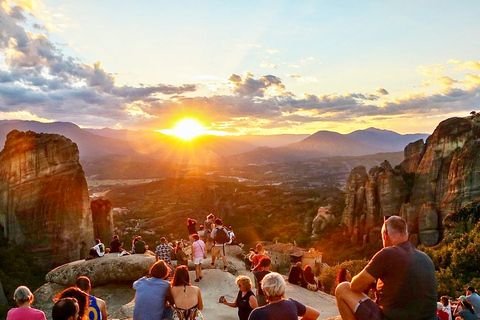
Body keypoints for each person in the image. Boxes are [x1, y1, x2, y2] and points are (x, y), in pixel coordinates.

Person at [335, 215, 437, 320]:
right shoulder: (426, 258)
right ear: (407, 236)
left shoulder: (387, 253)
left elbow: (355, 286)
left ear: (385, 235)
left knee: (342, 288)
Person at [248, 272, 320, 320]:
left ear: (264, 291)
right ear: (283, 289)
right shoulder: (292, 304)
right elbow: (315, 314)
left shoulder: (257, 314)